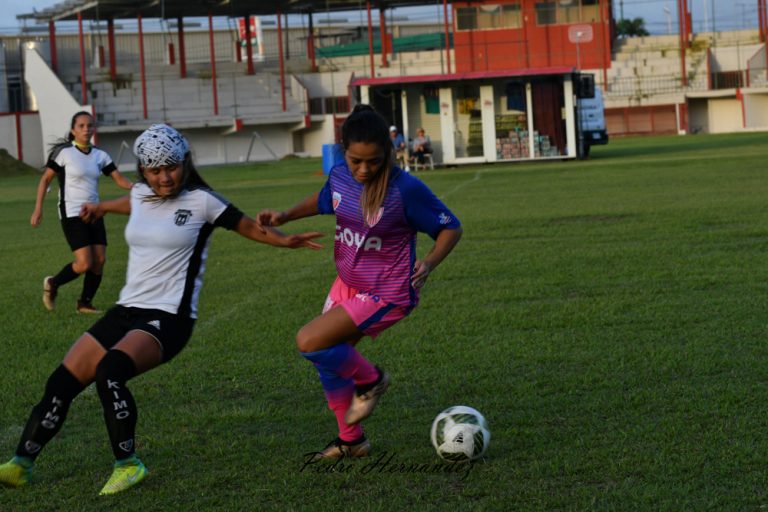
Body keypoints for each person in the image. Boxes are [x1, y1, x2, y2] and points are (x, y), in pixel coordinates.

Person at [0, 124, 322, 495]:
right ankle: (20, 465)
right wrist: (102, 207)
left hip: (169, 317)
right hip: (126, 310)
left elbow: (248, 226)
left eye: (171, 167)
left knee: (110, 372)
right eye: (154, 170)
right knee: (61, 382)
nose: (164, 177)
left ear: (184, 163)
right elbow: (131, 201)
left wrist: (286, 240)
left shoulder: (203, 201)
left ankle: (128, 465)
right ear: (143, 170)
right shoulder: (141, 193)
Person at [257, 105, 462, 460]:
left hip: (387, 291)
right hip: (348, 283)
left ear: (388, 152)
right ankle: (352, 441)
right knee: (330, 359)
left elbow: (450, 227)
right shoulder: (340, 176)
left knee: (309, 340)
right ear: (344, 153)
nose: (364, 169)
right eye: (356, 161)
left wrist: (428, 263)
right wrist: (285, 215)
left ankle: (372, 381)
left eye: (374, 161)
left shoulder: (405, 190)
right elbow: (326, 199)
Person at [31, 110, 133, 314]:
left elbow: (119, 179)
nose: (86, 129)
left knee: (100, 260)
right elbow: (45, 180)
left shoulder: (100, 155)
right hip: (71, 213)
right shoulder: (64, 153)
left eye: (90, 125)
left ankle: (84, 303)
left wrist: (137, 187)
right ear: (73, 130)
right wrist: (38, 209)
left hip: (95, 212)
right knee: (85, 263)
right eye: (81, 126)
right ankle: (53, 283)